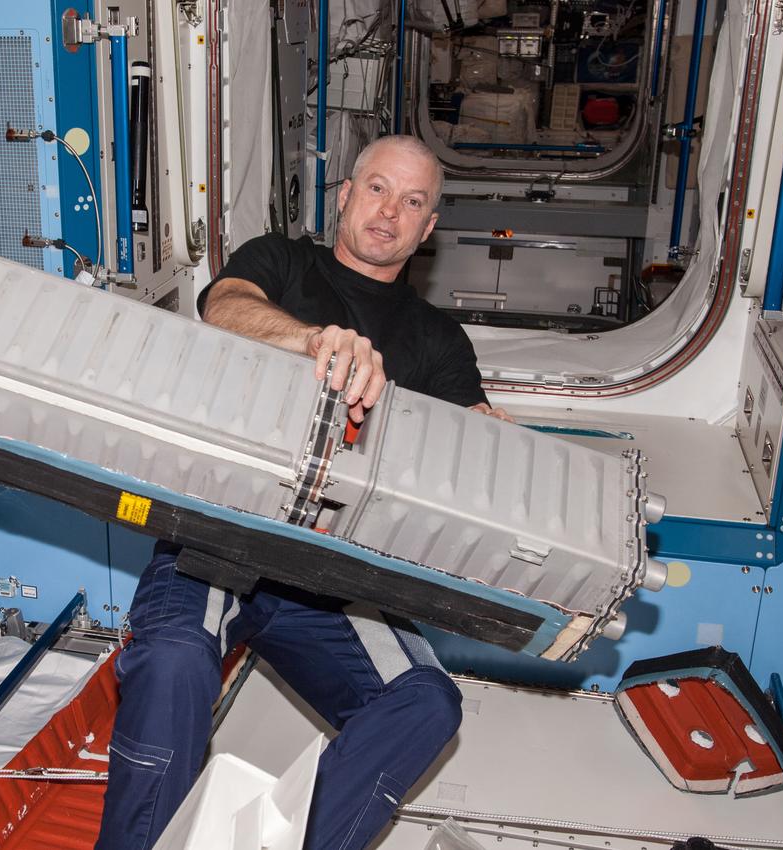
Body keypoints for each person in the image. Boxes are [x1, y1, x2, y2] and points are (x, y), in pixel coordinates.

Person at [95, 135, 509, 850]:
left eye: (413, 202)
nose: (390, 212)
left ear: (429, 227)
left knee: (426, 703)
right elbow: (224, 304)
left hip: (333, 574)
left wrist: (497, 449)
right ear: (344, 194)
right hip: (220, 536)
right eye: (378, 189)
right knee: (173, 662)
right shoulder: (281, 261)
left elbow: (469, 442)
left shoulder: (439, 340)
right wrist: (314, 341)